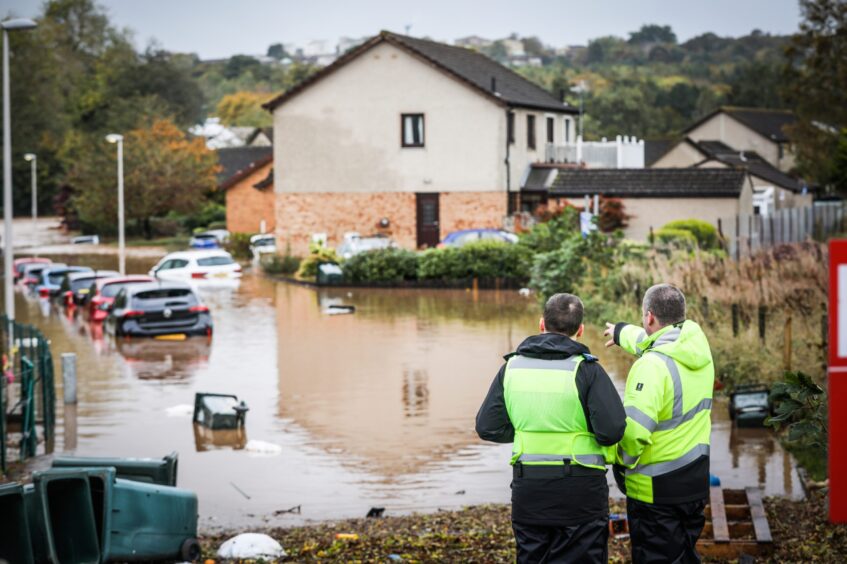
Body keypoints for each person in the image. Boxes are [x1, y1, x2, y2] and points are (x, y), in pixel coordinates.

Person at [476, 293, 626, 563]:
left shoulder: (511, 368)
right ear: (580, 330)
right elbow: (612, 430)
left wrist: (527, 429)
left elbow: (487, 426)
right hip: (581, 494)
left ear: (541, 324)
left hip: (529, 492)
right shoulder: (588, 371)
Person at [603, 284, 714, 564]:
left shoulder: (651, 366)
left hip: (656, 492)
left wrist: (617, 462)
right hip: (694, 483)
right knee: (685, 554)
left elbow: (634, 435)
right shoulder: (697, 351)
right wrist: (621, 332)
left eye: (644, 318)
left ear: (649, 317)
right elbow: (652, 339)